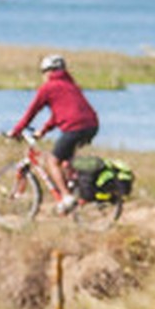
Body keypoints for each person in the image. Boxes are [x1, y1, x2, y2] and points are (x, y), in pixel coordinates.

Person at [9, 52, 100, 209]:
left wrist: (16, 131)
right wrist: (43, 130)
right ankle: (79, 190)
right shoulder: (71, 85)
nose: (43, 76)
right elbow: (61, 114)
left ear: (49, 71)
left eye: (43, 72)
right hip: (91, 125)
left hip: (75, 127)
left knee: (52, 161)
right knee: (66, 162)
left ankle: (66, 197)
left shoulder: (48, 88)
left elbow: (31, 112)